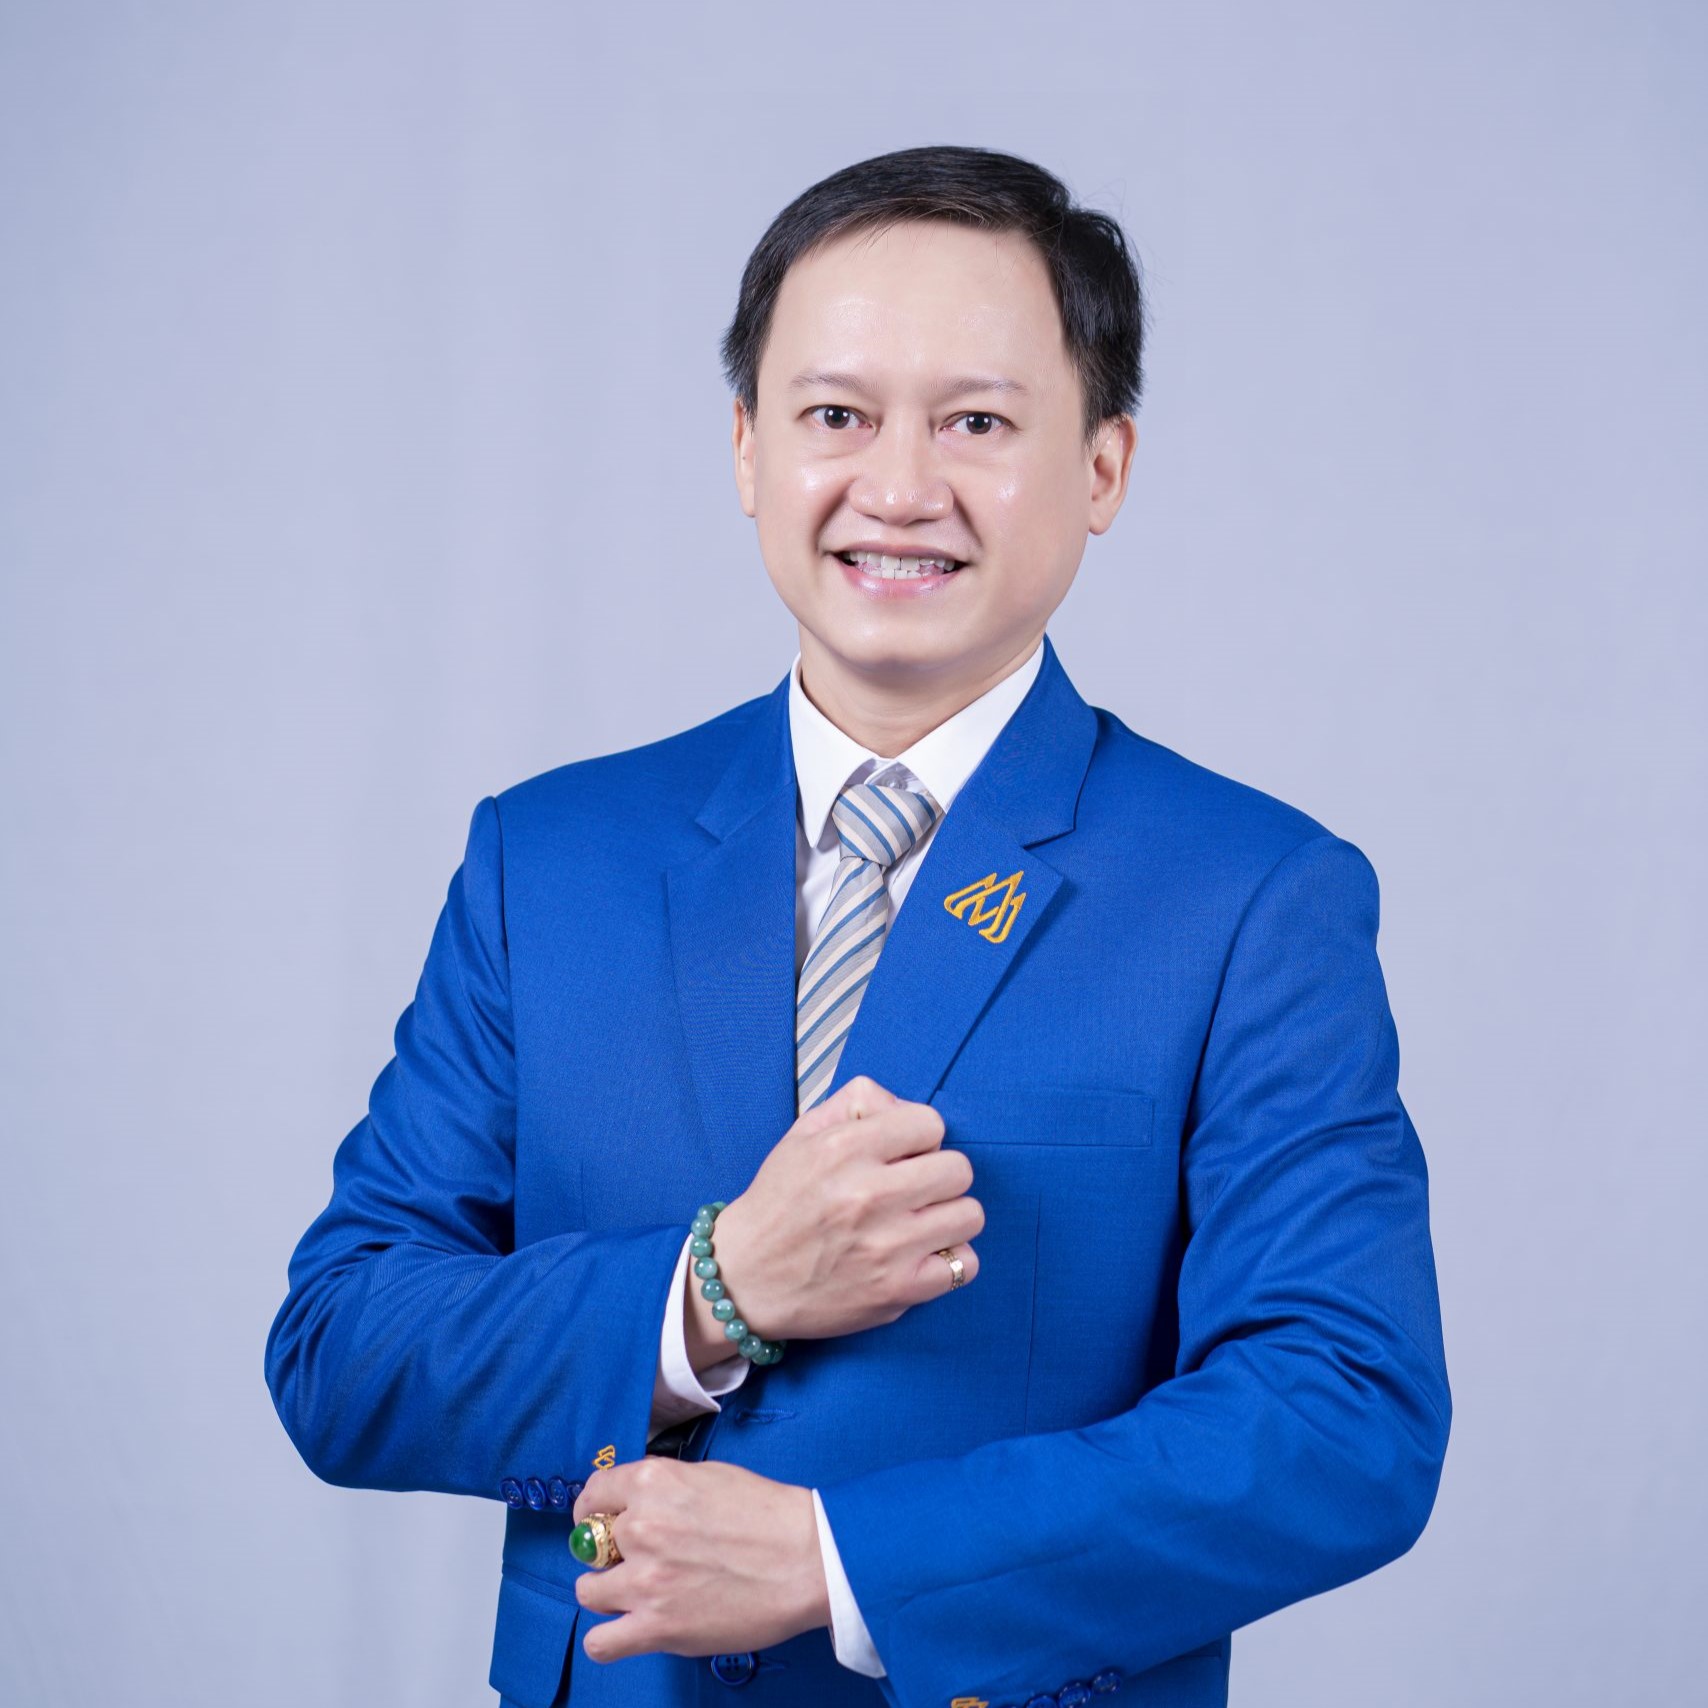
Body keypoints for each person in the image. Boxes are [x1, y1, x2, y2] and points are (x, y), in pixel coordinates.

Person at [265, 144, 1450, 1708]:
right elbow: (343, 1350)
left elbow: (1342, 1418)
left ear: (1104, 466)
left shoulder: (1250, 896)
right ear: (747, 449)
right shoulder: (545, 861)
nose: (897, 489)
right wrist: (712, 1292)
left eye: (977, 422)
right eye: (835, 416)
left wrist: (846, 1564)